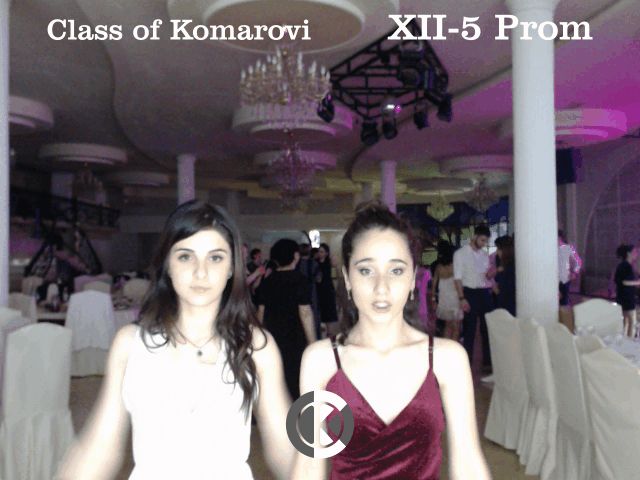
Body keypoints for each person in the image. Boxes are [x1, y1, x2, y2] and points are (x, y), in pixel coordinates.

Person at [56, 201, 293, 480]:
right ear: (168, 264)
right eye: (185, 256)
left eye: (215, 258)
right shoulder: (131, 344)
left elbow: (284, 447)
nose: (200, 272)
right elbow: (100, 448)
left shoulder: (255, 346)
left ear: (232, 268)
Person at [292, 202, 490, 480]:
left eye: (396, 271)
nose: (381, 288)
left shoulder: (448, 358)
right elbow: (306, 464)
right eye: (366, 270)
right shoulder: (319, 359)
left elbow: (468, 462)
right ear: (347, 278)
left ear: (412, 279)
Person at [257, 239, 315, 399]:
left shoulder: (267, 281)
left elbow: (260, 312)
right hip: (295, 335)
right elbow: (305, 312)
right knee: (296, 376)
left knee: (276, 377)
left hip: (273, 335)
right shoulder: (300, 280)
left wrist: (260, 337)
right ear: (295, 256)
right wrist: (312, 342)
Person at [453, 225, 493, 370]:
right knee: (469, 329)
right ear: (474, 236)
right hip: (469, 293)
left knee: (486, 328)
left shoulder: (484, 255)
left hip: (484, 292)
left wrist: (491, 274)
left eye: (486, 241)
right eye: (482, 240)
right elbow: (457, 278)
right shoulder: (460, 254)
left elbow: (486, 275)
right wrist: (462, 298)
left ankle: (487, 362)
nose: (484, 243)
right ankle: (467, 362)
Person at [431, 242, 463, 341]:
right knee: (456, 328)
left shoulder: (438, 267)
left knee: (447, 326)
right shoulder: (455, 266)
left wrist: (433, 299)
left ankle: (446, 347)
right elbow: (459, 284)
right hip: (455, 299)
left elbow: (434, 285)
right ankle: (453, 347)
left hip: (444, 299)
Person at [296, 243, 321, 339]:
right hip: (312, 292)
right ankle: (315, 337)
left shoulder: (296, 264)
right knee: (313, 315)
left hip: (298, 292)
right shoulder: (314, 263)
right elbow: (319, 279)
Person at [614, 244, 640, 337]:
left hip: (623, 297)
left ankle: (625, 339)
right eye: (635, 252)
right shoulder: (626, 266)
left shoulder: (623, 265)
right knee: (632, 322)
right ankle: (629, 341)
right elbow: (625, 282)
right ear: (629, 253)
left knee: (626, 322)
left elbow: (620, 281)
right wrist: (637, 282)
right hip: (627, 298)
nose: (637, 254)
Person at [316, 242, 339, 335]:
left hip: (327, 288)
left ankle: (330, 332)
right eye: (319, 251)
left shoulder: (329, 261)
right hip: (318, 288)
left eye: (322, 251)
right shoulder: (315, 262)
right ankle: (322, 328)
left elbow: (336, 266)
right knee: (320, 309)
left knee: (328, 310)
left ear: (326, 253)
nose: (320, 253)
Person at [493, 235, 516, 316]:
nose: (497, 252)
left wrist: (497, 291)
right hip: (502, 304)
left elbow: (509, 291)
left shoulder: (511, 269)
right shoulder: (501, 263)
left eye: (498, 249)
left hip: (509, 307)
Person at [558, 229, 582, 306]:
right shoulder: (548, 249)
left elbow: (579, 261)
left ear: (560, 237)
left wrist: (574, 273)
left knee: (563, 301)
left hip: (564, 278)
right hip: (551, 279)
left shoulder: (568, 248)